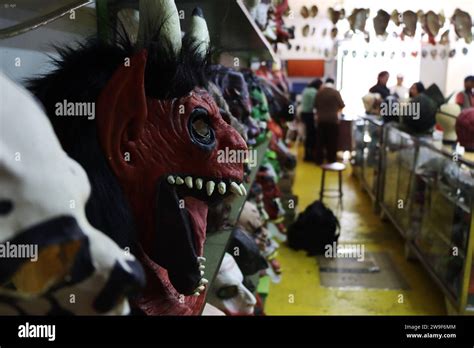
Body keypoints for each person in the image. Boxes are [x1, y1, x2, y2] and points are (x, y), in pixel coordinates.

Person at [314, 79, 345, 164]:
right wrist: (335, 111)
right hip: (333, 120)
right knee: (332, 142)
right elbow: (342, 105)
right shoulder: (335, 93)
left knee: (320, 141)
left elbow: (315, 105)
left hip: (321, 120)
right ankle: (331, 160)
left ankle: (319, 160)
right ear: (333, 84)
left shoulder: (319, 93)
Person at [300, 78, 323, 161]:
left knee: (308, 135)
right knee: (312, 136)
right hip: (309, 114)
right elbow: (316, 103)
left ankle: (307, 154)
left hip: (303, 114)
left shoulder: (306, 90)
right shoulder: (314, 92)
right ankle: (310, 156)